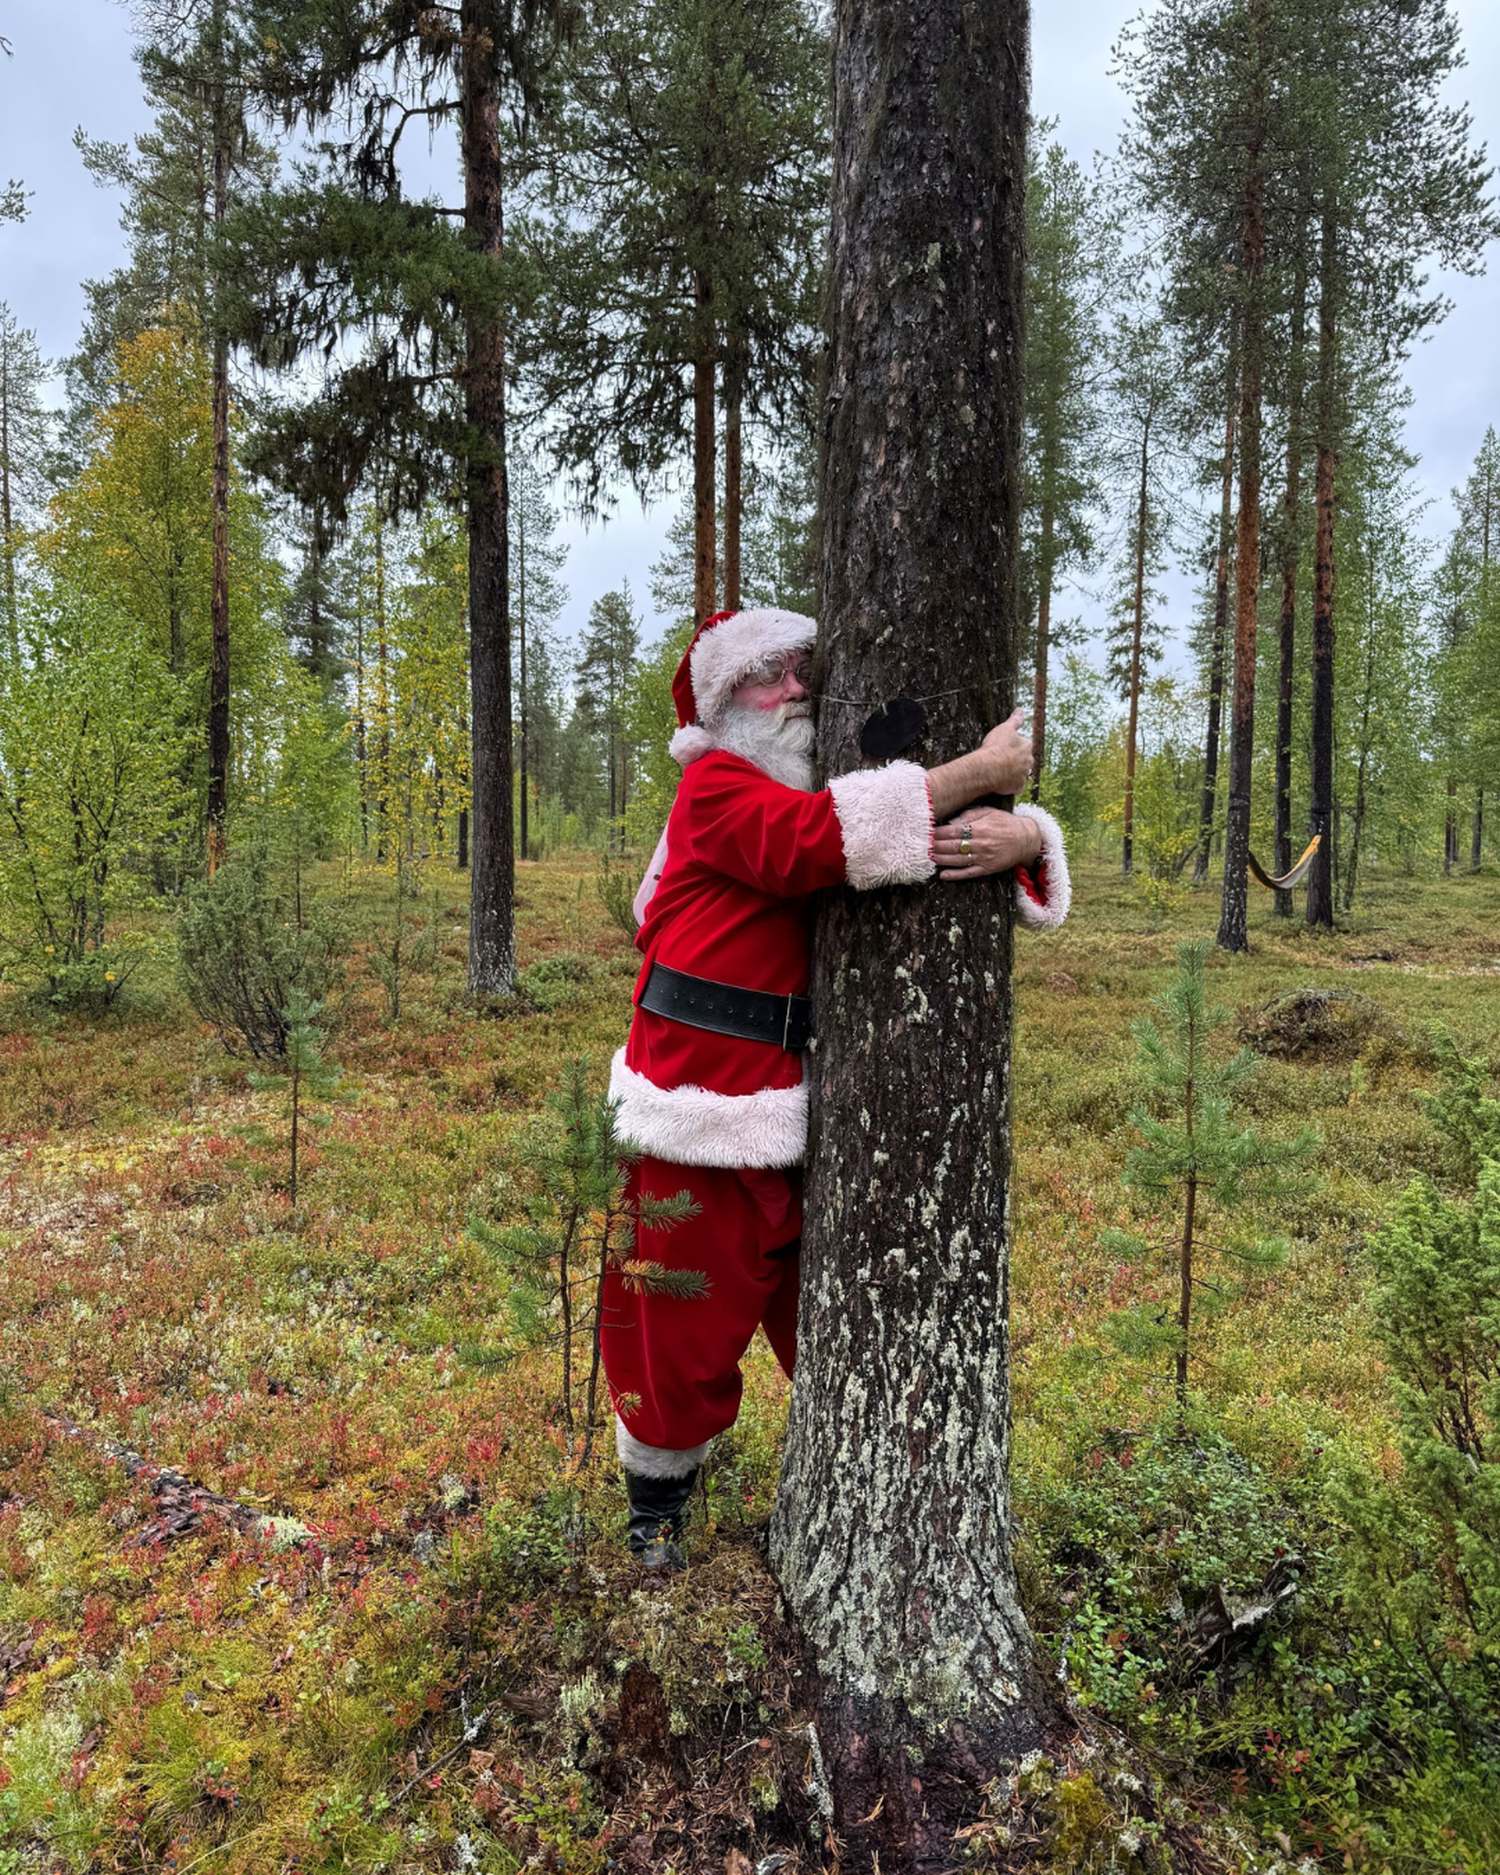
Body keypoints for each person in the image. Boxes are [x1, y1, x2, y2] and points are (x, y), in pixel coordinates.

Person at [604, 606, 1071, 1566]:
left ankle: (878, 1503)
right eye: (766, 678)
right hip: (691, 1117)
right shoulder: (716, 789)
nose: (794, 692)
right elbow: (814, 842)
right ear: (720, 709)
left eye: (797, 672)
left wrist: (1024, 837)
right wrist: (981, 773)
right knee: (670, 1324)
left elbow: (906, 847)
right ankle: (657, 1515)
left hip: (805, 1120)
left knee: (827, 1322)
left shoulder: (823, 788)